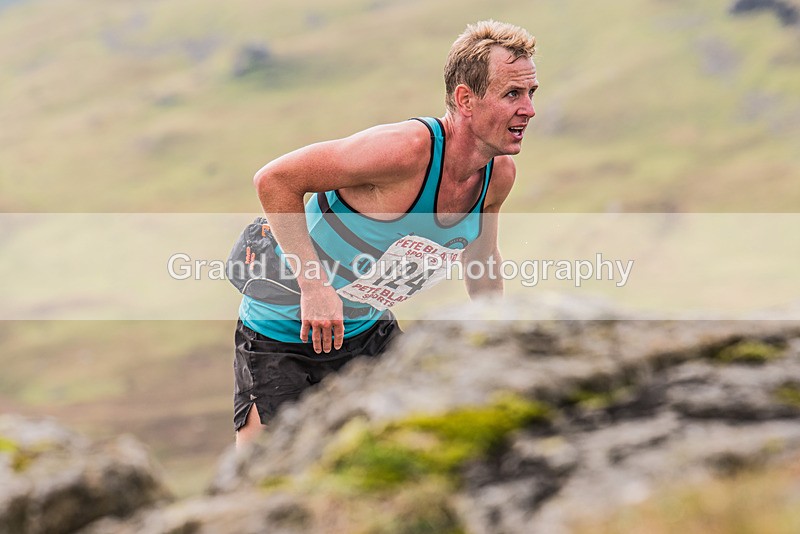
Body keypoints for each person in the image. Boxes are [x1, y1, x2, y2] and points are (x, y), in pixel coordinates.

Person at [233, 20, 538, 447]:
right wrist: (315, 285)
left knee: (414, 456)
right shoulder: (403, 151)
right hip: (282, 333)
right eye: (512, 94)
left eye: (531, 93)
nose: (529, 109)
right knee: (266, 476)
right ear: (466, 99)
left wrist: (498, 336)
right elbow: (274, 180)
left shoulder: (498, 176)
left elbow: (481, 261)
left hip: (368, 332)